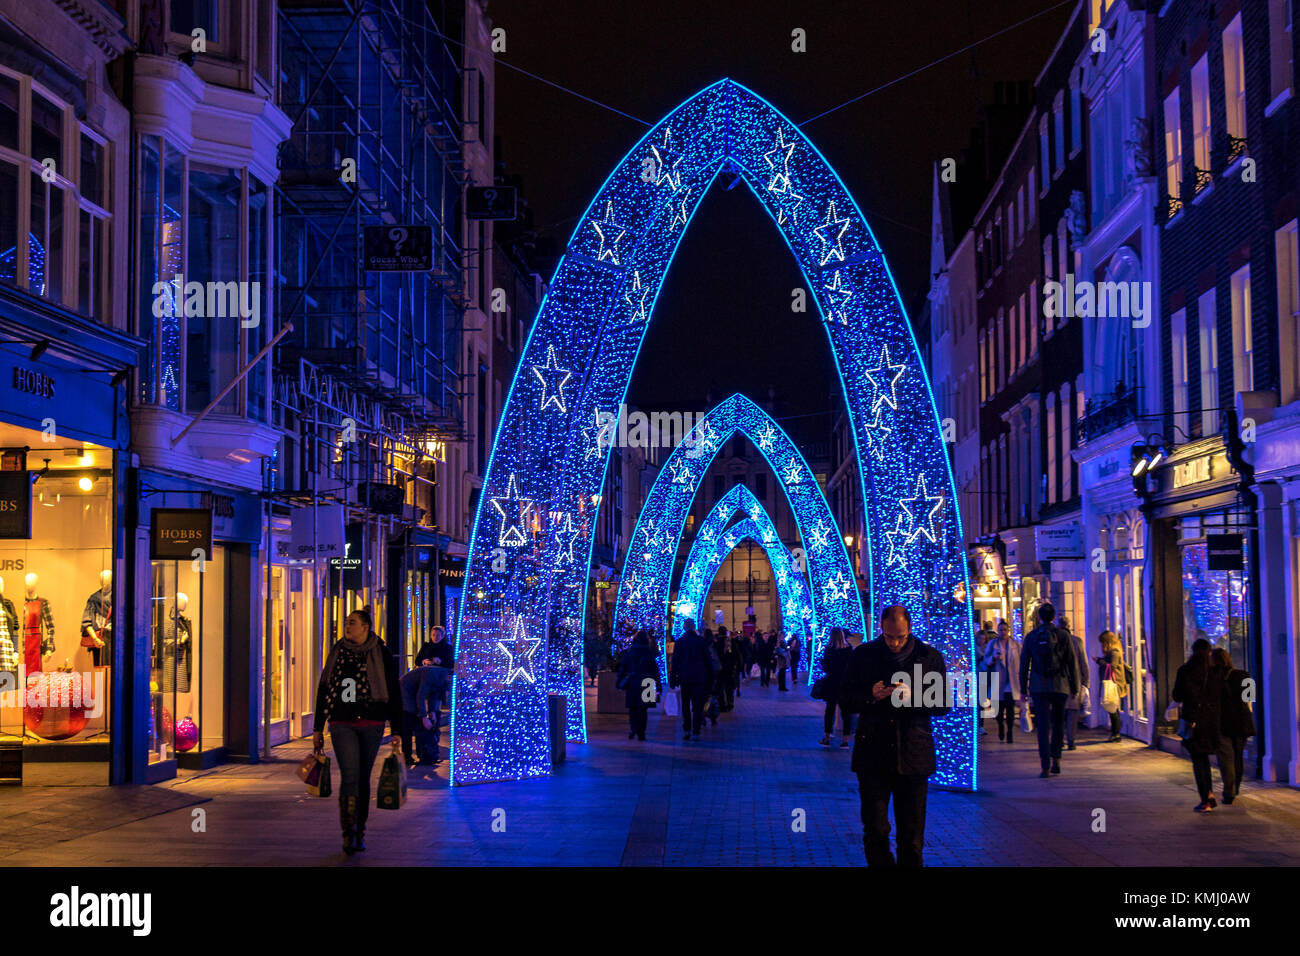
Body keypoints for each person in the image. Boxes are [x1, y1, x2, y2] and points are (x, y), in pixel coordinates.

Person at [839, 606, 949, 867]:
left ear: (910, 628)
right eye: (889, 637)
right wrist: (870, 696)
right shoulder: (864, 655)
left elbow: (943, 703)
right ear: (881, 628)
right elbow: (845, 698)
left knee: (911, 835)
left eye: (900, 637)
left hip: (913, 754)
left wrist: (913, 698)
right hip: (873, 753)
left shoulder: (929, 657)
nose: (895, 643)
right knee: (875, 829)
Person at [313, 608, 403, 855]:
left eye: (352, 623)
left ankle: (360, 830)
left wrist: (397, 729)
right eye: (346, 622)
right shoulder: (338, 651)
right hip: (342, 722)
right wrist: (317, 727)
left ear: (366, 627)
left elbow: (393, 691)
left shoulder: (381, 652)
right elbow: (324, 687)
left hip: (372, 723)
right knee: (350, 776)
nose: (347, 626)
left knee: (363, 778)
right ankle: (348, 832)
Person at [1172, 639, 1235, 812]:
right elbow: (1226, 696)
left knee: (1199, 761)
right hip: (1212, 722)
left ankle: (1207, 797)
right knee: (1209, 759)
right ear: (1209, 652)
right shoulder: (1216, 672)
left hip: (1193, 721)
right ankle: (1214, 794)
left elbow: (1177, 696)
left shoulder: (1185, 671)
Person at [1019, 603, 1078, 778]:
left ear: (1038, 617)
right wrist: (1074, 686)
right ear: (1054, 617)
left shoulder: (1031, 637)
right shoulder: (1063, 635)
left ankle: (1045, 765)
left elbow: (1024, 664)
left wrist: (1023, 688)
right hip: (1060, 685)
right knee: (1059, 723)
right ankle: (1056, 760)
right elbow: (1071, 662)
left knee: (1043, 726)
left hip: (1039, 685)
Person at [1212, 647, 1254, 803]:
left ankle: (1229, 790)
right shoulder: (1244, 675)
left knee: (1226, 758)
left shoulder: (1213, 678)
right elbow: (1250, 699)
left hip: (1223, 722)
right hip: (1242, 722)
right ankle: (1235, 787)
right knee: (1238, 756)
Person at [669, 618, 716, 740]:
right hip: (699, 678)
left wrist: (673, 678)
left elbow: (675, 662)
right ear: (694, 627)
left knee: (685, 704)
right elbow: (708, 660)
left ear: (684, 627)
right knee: (698, 705)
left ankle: (687, 729)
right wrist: (712, 676)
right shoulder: (701, 641)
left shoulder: (679, 642)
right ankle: (696, 730)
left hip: (685, 678)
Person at [399, 658, 449, 768]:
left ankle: (423, 755)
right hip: (405, 689)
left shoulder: (442, 678)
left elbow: (433, 695)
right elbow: (421, 695)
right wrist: (423, 717)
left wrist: (432, 711)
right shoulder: (432, 674)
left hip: (413, 690)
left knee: (418, 720)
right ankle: (408, 756)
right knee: (410, 717)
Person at [617, 630, 660, 740]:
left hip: (633, 682)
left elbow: (623, 668)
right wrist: (658, 686)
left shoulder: (630, 652)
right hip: (648, 682)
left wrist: (619, 682)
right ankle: (642, 732)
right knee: (643, 709)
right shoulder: (650, 653)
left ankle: (633, 729)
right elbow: (655, 671)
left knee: (633, 708)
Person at [981, 620, 1020, 743]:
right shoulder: (993, 644)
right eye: (1001, 630)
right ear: (998, 631)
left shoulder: (1016, 645)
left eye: (1005, 630)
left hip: (1011, 682)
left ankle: (1010, 732)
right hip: (997, 680)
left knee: (1010, 709)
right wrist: (993, 658)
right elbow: (986, 660)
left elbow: (1021, 660)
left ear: (1008, 631)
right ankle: (1001, 726)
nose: (1003, 632)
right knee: (998, 710)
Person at [818, 627, 855, 748]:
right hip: (845, 683)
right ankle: (845, 740)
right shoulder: (848, 649)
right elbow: (851, 667)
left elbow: (826, 668)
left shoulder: (829, 650)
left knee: (829, 710)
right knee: (846, 712)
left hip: (832, 682)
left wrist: (824, 664)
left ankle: (827, 737)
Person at [1094, 630, 1128, 742]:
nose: (1102, 645)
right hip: (1113, 683)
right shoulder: (1113, 651)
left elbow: (1112, 666)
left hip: (1115, 683)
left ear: (1107, 642)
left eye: (1103, 642)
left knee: (1113, 709)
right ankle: (1115, 733)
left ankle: (1116, 733)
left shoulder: (1115, 652)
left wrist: (1099, 661)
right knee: (1112, 708)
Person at [1062, 620, 1089, 750]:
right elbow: (1083, 663)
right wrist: (1085, 683)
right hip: (1075, 681)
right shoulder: (1077, 641)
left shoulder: (1055, 641)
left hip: (1060, 683)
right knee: (1072, 713)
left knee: (1059, 713)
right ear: (1069, 626)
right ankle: (1071, 741)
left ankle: (1059, 740)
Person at [716, 633, 741, 712]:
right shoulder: (732, 647)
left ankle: (724, 705)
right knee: (729, 688)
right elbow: (738, 658)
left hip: (723, 671)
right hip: (729, 671)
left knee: (722, 688)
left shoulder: (718, 646)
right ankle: (729, 703)